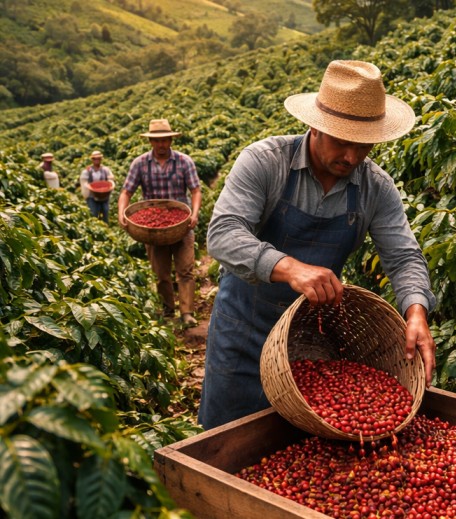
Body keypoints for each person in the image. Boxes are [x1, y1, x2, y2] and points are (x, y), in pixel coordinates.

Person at [201, 60, 436, 429]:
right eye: (343, 142)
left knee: (298, 448)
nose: (353, 157)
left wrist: (417, 311)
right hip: (244, 330)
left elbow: (404, 256)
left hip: (309, 340)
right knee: (227, 439)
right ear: (315, 126)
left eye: (364, 146)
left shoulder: (375, 187)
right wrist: (290, 268)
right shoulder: (265, 162)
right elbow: (223, 233)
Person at [117, 119, 202, 327]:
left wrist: (194, 213)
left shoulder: (184, 161)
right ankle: (168, 310)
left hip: (182, 226)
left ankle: (187, 312)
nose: (161, 145)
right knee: (161, 274)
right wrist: (121, 213)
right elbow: (126, 191)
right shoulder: (140, 163)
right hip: (153, 231)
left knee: (186, 270)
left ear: (171, 139)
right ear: (150, 142)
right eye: (157, 141)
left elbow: (195, 190)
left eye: (165, 140)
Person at [79, 150, 116, 221]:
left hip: (104, 195)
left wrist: (108, 186)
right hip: (92, 196)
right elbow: (84, 182)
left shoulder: (105, 170)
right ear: (92, 160)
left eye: (98, 158)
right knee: (94, 214)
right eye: (95, 159)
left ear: (101, 159)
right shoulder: (88, 171)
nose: (97, 160)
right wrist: (90, 189)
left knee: (105, 212)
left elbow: (111, 179)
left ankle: (106, 227)